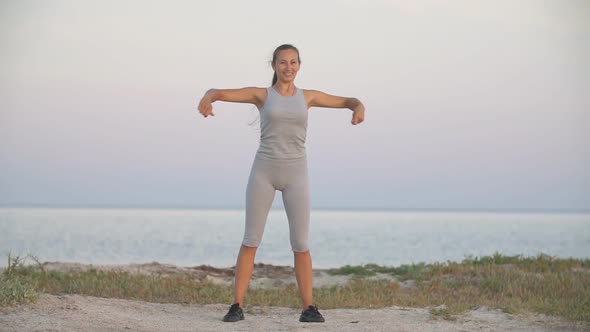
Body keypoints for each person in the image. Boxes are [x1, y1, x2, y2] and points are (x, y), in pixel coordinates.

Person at [197, 44, 365, 323]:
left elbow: (348, 100)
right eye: (283, 62)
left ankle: (308, 308)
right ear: (274, 65)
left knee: (300, 242)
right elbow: (218, 92)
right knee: (251, 239)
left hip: (297, 174)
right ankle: (236, 305)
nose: (288, 67)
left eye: (293, 62)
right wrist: (207, 98)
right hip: (263, 172)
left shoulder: (307, 97)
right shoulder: (262, 95)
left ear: (299, 65)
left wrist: (359, 107)